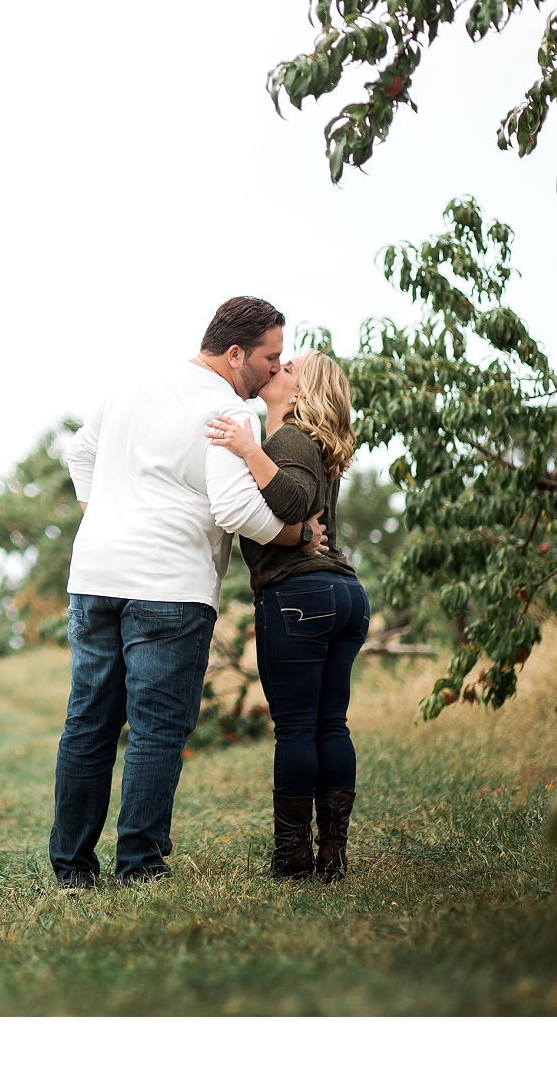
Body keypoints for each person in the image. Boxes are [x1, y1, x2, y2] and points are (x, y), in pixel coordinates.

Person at [51, 296, 328, 889]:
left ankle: (72, 870)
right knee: (156, 728)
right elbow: (233, 507)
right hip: (169, 588)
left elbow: (80, 452)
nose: (276, 370)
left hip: (95, 574)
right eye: (269, 358)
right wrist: (297, 532)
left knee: (88, 724)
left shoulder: (133, 383)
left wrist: (104, 518)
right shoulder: (229, 412)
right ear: (235, 355)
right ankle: (139, 868)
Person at [206, 349, 367, 881]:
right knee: (328, 725)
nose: (276, 369)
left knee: (297, 729)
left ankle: (294, 858)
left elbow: (294, 504)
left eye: (289, 368)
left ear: (300, 394)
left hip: (300, 597)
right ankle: (332, 855)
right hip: (343, 596)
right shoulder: (313, 444)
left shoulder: (288, 439)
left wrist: (249, 449)